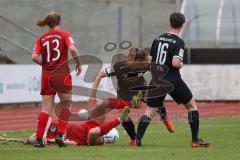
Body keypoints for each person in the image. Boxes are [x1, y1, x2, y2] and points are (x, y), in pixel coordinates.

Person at [135, 12, 210, 148]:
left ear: (170, 22)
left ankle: (138, 140)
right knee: (192, 106)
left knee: (149, 112)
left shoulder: (157, 39)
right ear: (182, 24)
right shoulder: (179, 42)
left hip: (157, 80)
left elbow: (151, 62)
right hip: (172, 80)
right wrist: (181, 63)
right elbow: (176, 63)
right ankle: (195, 140)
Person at [87, 48, 174, 146]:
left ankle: (165, 119)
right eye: (145, 61)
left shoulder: (146, 66)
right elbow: (100, 75)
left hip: (140, 91)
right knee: (123, 116)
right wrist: (92, 95)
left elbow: (152, 81)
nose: (147, 63)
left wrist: (144, 94)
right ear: (137, 61)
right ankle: (133, 139)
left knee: (155, 98)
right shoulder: (119, 67)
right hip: (124, 96)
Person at [32, 11, 81, 147]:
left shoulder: (41, 38)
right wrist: (78, 62)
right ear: (60, 21)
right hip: (61, 73)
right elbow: (73, 49)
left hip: (47, 75)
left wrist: (45, 64)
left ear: (48, 23)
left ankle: (38, 139)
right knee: (66, 104)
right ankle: (60, 135)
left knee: (45, 109)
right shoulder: (65, 34)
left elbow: (34, 57)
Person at [26, 107, 130, 146]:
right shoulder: (47, 139)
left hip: (87, 129)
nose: (34, 137)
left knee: (94, 127)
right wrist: (50, 140)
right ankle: (120, 119)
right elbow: (74, 143)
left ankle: (121, 116)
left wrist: (43, 134)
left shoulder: (50, 128)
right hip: (87, 138)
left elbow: (47, 118)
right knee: (93, 132)